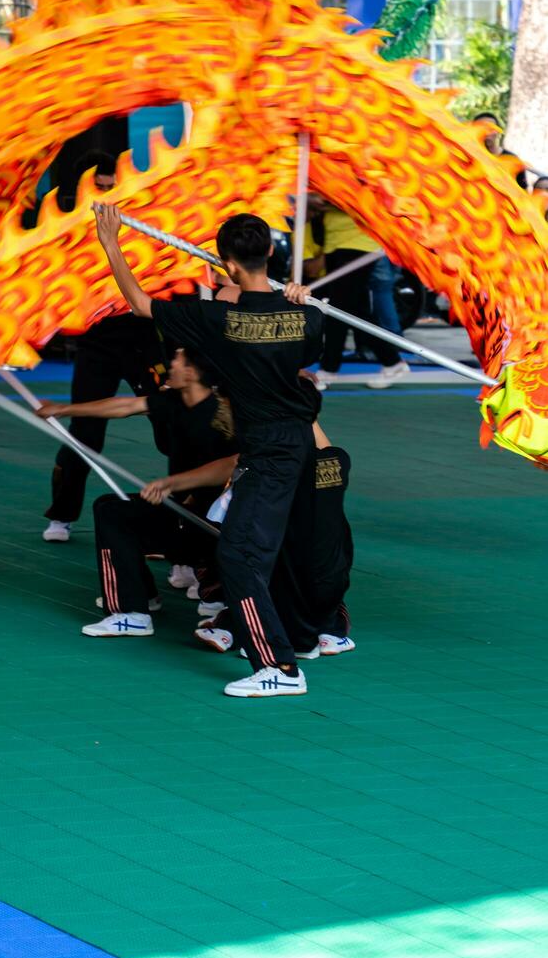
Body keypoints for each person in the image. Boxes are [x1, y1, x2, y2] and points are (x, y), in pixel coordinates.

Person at [94, 205, 324, 697]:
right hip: (292, 446)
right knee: (254, 549)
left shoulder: (214, 319)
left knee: (240, 553)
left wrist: (111, 241)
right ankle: (258, 632)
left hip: (268, 453)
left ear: (228, 266)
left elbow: (139, 303)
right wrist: (298, 300)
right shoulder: (309, 317)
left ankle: (280, 669)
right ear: (267, 253)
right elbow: (303, 353)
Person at [37, 347, 236, 636]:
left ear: (192, 373)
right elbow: (124, 406)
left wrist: (173, 485)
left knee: (115, 514)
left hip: (210, 525)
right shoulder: (176, 401)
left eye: (178, 361)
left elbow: (229, 468)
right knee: (109, 506)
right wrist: (62, 410)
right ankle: (141, 597)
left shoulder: (222, 418)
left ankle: (131, 612)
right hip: (182, 511)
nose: (171, 364)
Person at [143, 418, 355, 659]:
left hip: (302, 570)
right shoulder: (336, 459)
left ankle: (313, 634)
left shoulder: (278, 468)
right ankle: (238, 628)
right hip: (323, 563)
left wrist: (173, 483)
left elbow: (236, 464)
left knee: (263, 578)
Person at [42, 152, 166, 545]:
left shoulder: (145, 222)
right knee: (86, 432)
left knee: (174, 423)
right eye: (102, 187)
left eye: (115, 185)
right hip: (98, 342)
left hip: (146, 338)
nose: (110, 195)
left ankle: (187, 526)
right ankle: (62, 514)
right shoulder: (69, 233)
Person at [302, 200, 409, 391]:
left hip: (358, 243)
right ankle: (392, 362)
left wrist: (323, 200)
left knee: (339, 306)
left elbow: (356, 197)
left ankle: (329, 369)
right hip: (336, 242)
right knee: (354, 309)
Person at [473, 113, 528, 189]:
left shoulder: (511, 160)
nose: (486, 132)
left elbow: (522, 191)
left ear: (498, 131)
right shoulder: (468, 157)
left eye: (491, 128)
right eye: (481, 128)